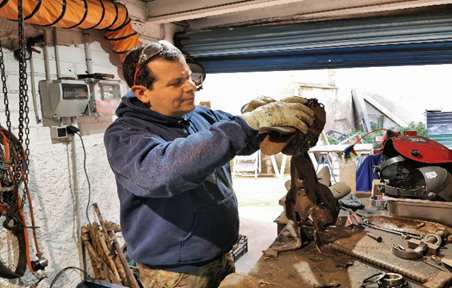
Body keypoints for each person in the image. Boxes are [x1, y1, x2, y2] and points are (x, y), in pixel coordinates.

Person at [104, 40, 315, 288]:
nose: (191, 87)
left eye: (188, 77)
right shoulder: (125, 135)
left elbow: (242, 140)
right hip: (176, 274)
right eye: (176, 83)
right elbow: (161, 173)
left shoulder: (196, 115)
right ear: (142, 93)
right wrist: (244, 124)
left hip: (221, 254)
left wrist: (267, 122)